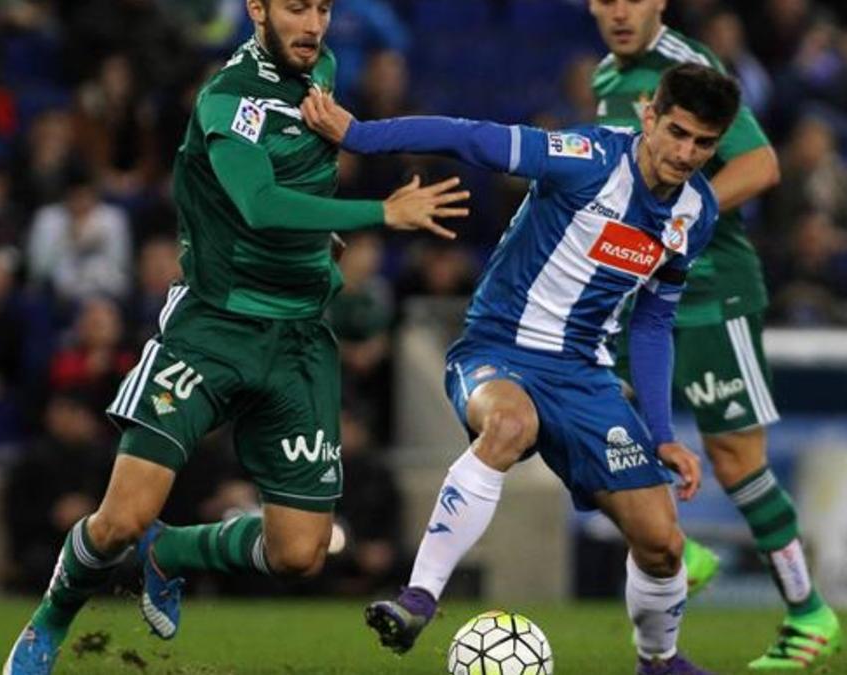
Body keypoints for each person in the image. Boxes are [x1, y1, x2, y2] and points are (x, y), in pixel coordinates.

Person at [2, 1, 469, 673]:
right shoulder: (228, 98)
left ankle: (172, 552)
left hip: (299, 339)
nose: (313, 25)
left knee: (301, 551)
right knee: (119, 520)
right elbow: (258, 203)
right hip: (212, 329)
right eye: (296, 8)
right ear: (257, 8)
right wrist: (380, 211)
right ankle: (49, 621)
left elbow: (302, 173)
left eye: (324, 8)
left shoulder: (324, 70)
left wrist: (321, 237)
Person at [303, 62, 738, 675]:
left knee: (664, 547)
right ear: (649, 116)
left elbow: (652, 321)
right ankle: (418, 598)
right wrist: (359, 135)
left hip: (585, 378)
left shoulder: (697, 212)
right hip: (497, 350)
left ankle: (659, 662)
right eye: (678, 132)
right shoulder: (585, 157)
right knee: (507, 427)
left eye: (705, 143)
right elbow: (471, 137)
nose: (687, 153)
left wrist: (663, 433)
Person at [588, 0, 842, 670]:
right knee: (581, 429)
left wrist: (679, 220)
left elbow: (760, 166)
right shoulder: (605, 79)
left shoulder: (689, 65)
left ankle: (809, 612)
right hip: (635, 296)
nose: (620, 12)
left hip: (710, 292)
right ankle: (681, 547)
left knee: (736, 461)